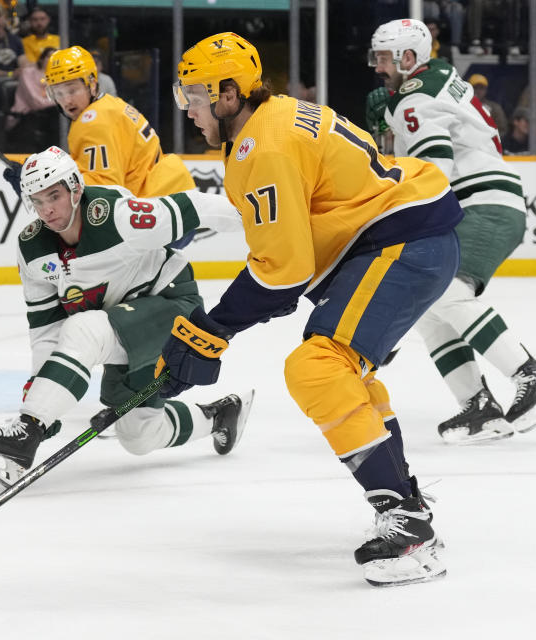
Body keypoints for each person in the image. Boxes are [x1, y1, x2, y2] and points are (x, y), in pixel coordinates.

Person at [167, 32, 463, 587]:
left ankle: (409, 523)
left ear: (230, 94)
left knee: (316, 366)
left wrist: (210, 331)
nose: (191, 109)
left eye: (198, 97)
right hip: (401, 239)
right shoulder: (274, 120)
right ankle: (404, 501)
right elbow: (286, 259)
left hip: (402, 243)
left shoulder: (264, 146)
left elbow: (284, 273)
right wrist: (210, 332)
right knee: (342, 368)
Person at [0, 146, 251, 487]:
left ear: (75, 188)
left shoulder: (117, 216)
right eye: (37, 201)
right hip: (124, 328)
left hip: (171, 306)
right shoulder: (33, 251)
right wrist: (40, 398)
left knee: (84, 327)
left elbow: (196, 207)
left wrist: (272, 224)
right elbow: (46, 331)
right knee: (139, 435)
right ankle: (220, 415)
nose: (47, 209)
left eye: (54, 195)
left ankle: (24, 437)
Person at [368, 18, 536, 444]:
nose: (377, 66)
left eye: (385, 58)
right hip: (485, 203)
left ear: (409, 58)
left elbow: (436, 167)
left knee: (446, 293)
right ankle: (478, 406)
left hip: (482, 205)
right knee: (430, 307)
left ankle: (532, 378)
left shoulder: (410, 100)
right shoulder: (437, 78)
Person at [4, 46, 195, 203]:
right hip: (170, 197)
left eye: (72, 90)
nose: (67, 100)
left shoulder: (93, 120)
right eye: (59, 94)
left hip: (158, 207)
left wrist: (44, 183)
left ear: (92, 84)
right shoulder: (109, 105)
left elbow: (105, 190)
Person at [5, 46, 58, 151]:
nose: (52, 60)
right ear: (42, 59)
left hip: (50, 115)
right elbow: (36, 102)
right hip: (26, 116)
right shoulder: (27, 72)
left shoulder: (57, 76)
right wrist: (57, 102)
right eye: (49, 56)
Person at [467, 73, 507, 137]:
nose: (478, 91)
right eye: (475, 87)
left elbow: (502, 130)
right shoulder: (462, 105)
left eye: (481, 88)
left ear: (486, 90)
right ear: (468, 88)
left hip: (488, 144)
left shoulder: (495, 108)